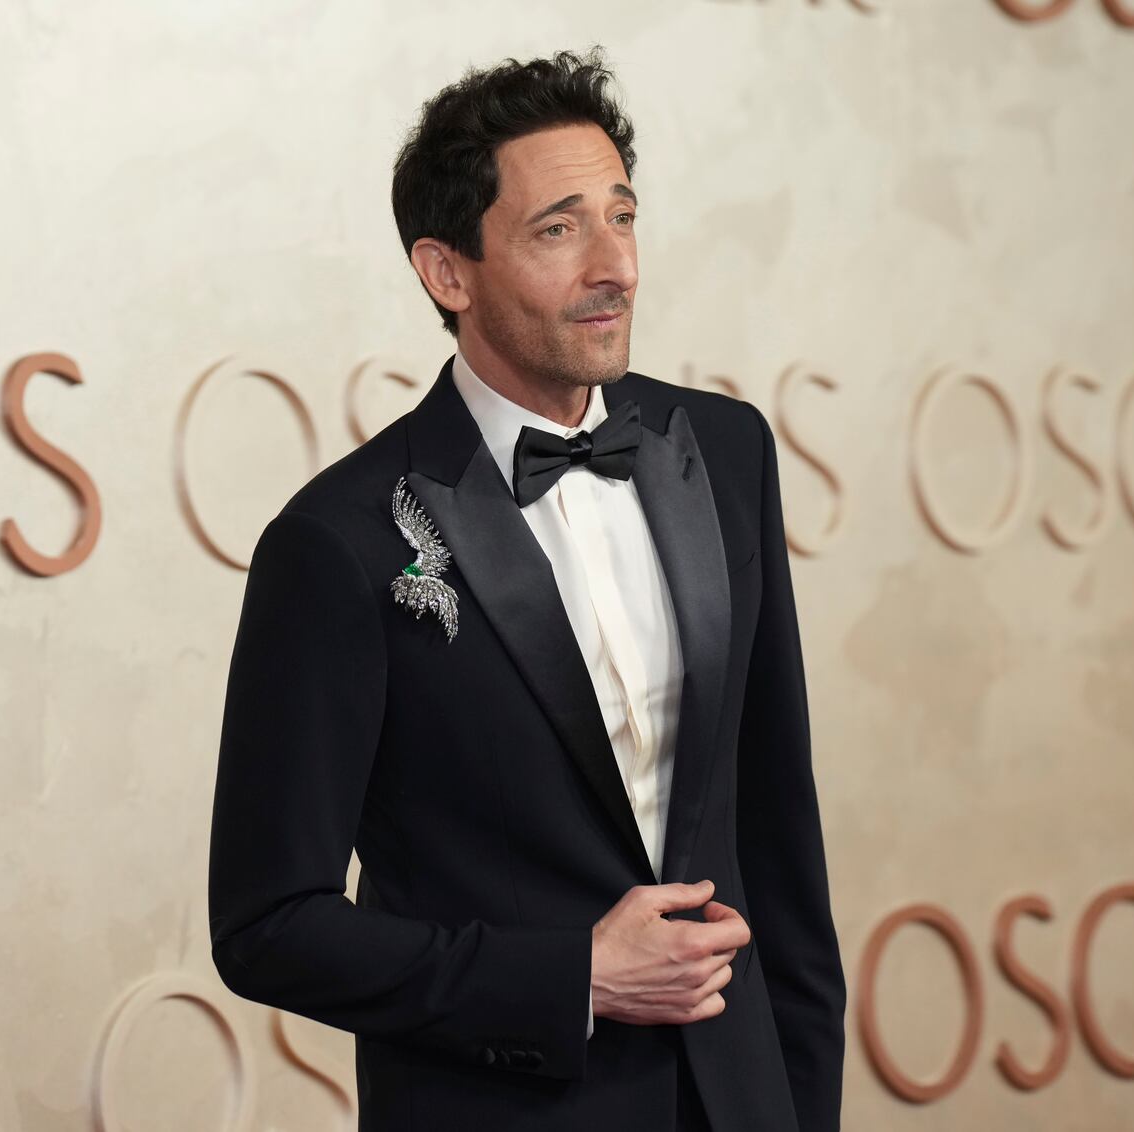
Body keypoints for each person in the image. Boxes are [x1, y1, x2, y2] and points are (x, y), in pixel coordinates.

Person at [206, 47, 844, 1131]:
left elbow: (781, 845)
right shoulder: (338, 541)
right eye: (559, 229)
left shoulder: (725, 451)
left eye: (622, 216)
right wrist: (573, 977)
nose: (616, 266)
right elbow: (270, 922)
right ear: (448, 273)